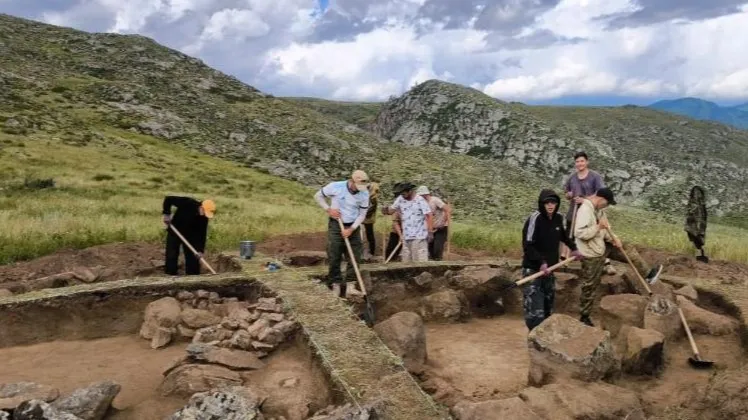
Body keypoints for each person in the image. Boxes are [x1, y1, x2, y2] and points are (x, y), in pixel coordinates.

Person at [574, 188, 663, 327]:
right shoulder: (585, 210)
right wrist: (597, 227)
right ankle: (584, 316)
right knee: (590, 285)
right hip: (590, 252)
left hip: (601, 245)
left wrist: (614, 239)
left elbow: (606, 228)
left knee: (626, 248)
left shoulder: (600, 211)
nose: (607, 206)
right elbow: (580, 233)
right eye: (607, 203)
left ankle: (648, 274)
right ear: (601, 199)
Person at [521, 189, 583, 331]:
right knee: (535, 310)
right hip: (533, 270)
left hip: (550, 270)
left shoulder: (558, 217)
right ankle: (534, 340)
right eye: (547, 202)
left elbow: (563, 235)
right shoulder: (535, 218)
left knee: (548, 307)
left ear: (557, 204)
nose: (550, 205)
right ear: (541, 203)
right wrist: (541, 262)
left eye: (553, 202)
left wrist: (573, 248)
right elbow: (528, 245)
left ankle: (546, 341)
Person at [314, 170, 370, 298]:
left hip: (353, 226)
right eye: (358, 186)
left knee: (355, 256)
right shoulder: (335, 187)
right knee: (334, 253)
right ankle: (335, 283)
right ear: (352, 181)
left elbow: (362, 214)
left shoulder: (364, 193)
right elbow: (318, 196)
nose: (360, 189)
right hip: (336, 224)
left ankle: (350, 285)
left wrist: (351, 228)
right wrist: (329, 209)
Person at [162, 196, 216, 276]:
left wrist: (200, 250)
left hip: (190, 236)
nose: (205, 215)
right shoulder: (188, 203)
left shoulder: (204, 218)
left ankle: (193, 275)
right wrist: (167, 214)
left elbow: (202, 234)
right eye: (205, 212)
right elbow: (168, 199)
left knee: (193, 257)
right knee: (171, 254)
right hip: (175, 230)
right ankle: (170, 275)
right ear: (201, 207)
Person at [382, 182, 433, 262]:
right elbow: (391, 211)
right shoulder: (400, 199)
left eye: (404, 194)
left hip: (419, 237)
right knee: (406, 263)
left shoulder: (420, 200)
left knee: (419, 262)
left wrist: (430, 231)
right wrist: (386, 210)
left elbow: (429, 215)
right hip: (406, 236)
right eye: (401, 194)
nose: (402, 196)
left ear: (410, 191)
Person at [416, 186, 451, 261]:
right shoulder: (422, 203)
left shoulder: (435, 200)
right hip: (430, 229)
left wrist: (443, 221)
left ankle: (439, 263)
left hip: (441, 228)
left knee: (437, 248)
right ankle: (433, 265)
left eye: (421, 195)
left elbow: (447, 209)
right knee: (430, 249)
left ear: (425, 194)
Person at [384, 182, 406, 261]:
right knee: (391, 250)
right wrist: (400, 235)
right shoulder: (397, 203)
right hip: (396, 231)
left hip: (407, 231)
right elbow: (395, 222)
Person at [362, 181, 380, 258]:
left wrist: (362, 214)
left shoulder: (373, 199)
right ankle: (368, 251)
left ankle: (371, 252)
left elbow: (370, 210)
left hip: (368, 219)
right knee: (368, 235)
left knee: (369, 235)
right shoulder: (370, 197)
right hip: (366, 218)